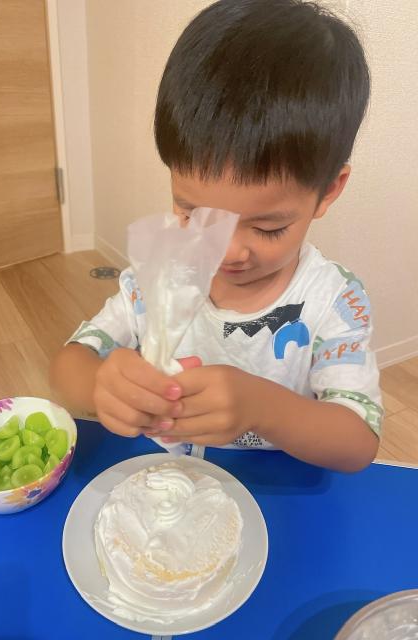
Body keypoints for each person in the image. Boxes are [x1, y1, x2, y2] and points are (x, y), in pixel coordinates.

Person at [50, 0, 383, 472]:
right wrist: (102, 384)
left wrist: (261, 407)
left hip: (274, 486)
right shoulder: (158, 282)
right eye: (195, 216)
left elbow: (357, 443)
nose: (228, 252)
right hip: (165, 477)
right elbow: (68, 365)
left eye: (268, 227)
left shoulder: (333, 301)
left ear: (328, 190)